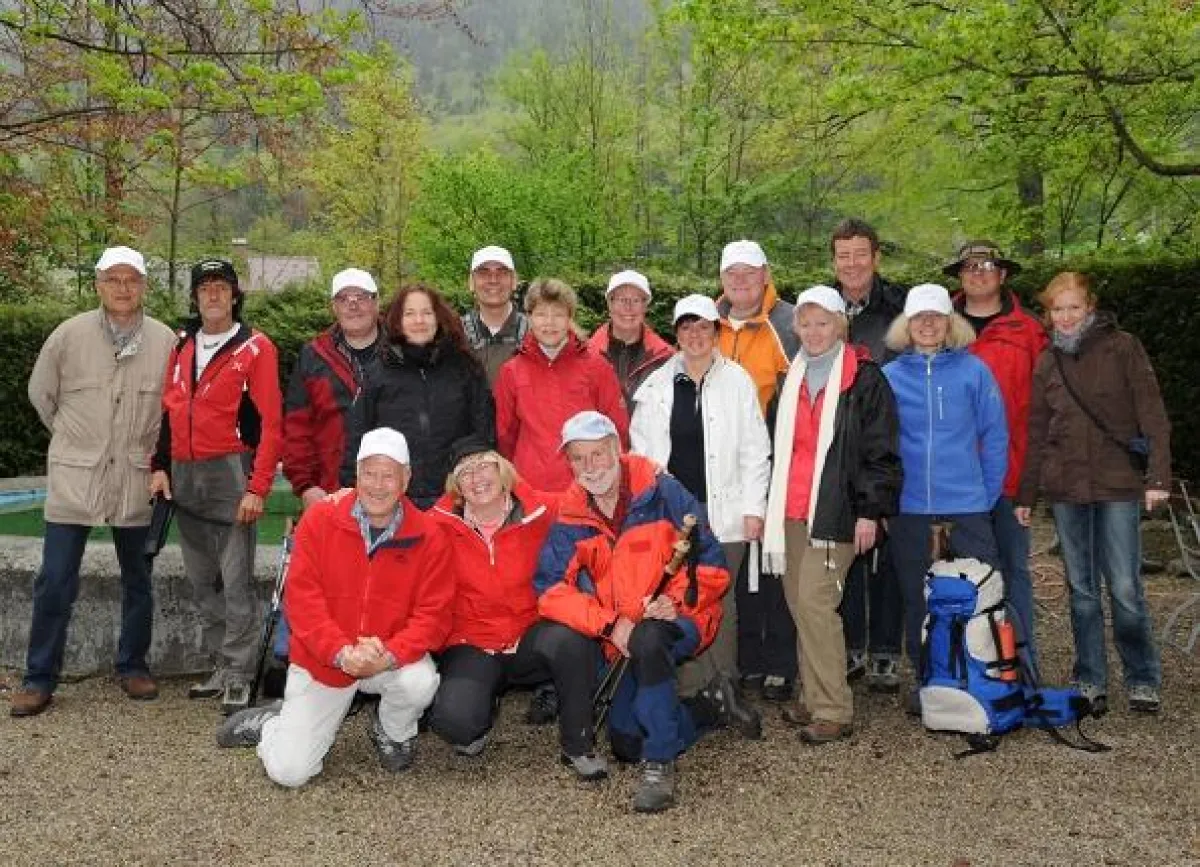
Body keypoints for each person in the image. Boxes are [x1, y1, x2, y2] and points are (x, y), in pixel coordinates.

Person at [216, 428, 452, 786]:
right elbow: (303, 603)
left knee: (420, 682)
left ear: (406, 479)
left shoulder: (430, 536)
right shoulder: (319, 521)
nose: (377, 484)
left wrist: (387, 654)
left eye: (388, 475)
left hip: (387, 655)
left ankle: (394, 732)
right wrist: (341, 653)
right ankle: (273, 725)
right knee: (290, 773)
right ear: (355, 475)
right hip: (326, 658)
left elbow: (433, 617)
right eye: (369, 473)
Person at [535, 411, 732, 813]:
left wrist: (673, 602)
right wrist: (610, 624)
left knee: (650, 636)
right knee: (626, 742)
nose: (590, 467)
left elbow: (712, 564)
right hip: (622, 634)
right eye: (578, 458)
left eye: (598, 454)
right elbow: (550, 589)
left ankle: (660, 766)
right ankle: (710, 706)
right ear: (569, 463)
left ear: (617, 450)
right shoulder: (572, 514)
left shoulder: (663, 491)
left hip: (683, 617)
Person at [10, 247, 176, 718]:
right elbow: (41, 394)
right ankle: (38, 677)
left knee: (138, 579)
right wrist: (74, 437)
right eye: (113, 279)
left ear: (144, 286)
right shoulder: (68, 335)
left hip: (136, 478)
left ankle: (133, 665)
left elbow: (174, 408)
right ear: (98, 285)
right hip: (75, 480)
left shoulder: (165, 341)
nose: (123, 288)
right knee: (54, 580)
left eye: (132, 280)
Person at [1016, 272, 1171, 715]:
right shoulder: (1047, 361)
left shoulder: (1123, 347)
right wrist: (1026, 496)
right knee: (1080, 589)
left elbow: (1153, 415)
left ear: (1090, 307)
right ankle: (1090, 678)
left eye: (1074, 307)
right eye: (1057, 309)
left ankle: (1142, 676)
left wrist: (1158, 478)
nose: (1065, 317)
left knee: (1124, 587)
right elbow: (1037, 431)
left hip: (1117, 484)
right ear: (1048, 314)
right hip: (1066, 487)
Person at [761, 286, 902, 743]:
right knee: (800, 605)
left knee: (818, 604)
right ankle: (814, 695)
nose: (814, 331)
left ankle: (834, 708)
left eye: (824, 322)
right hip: (790, 510)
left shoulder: (864, 380)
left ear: (841, 325)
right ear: (795, 326)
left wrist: (870, 512)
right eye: (806, 323)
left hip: (837, 512)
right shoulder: (789, 379)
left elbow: (880, 452)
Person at [630, 293, 767, 737]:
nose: (695, 335)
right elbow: (643, 459)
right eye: (687, 327)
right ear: (677, 333)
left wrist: (753, 509)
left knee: (720, 602)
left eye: (703, 327)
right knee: (679, 601)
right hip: (673, 519)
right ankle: (691, 691)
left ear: (716, 331)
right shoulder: (654, 387)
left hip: (724, 513)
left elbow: (754, 451)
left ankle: (724, 685)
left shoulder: (738, 382)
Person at [150, 259, 283, 714]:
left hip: (231, 471)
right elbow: (170, 410)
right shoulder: (182, 344)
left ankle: (242, 673)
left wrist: (258, 485)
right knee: (202, 579)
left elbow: (271, 424)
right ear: (195, 296)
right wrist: (159, 464)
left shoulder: (256, 347)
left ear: (234, 295)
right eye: (205, 287)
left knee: (236, 579)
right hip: (186, 473)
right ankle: (221, 665)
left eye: (221, 287)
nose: (212, 295)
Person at [882, 284, 1008, 714]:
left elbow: (994, 436)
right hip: (911, 508)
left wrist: (984, 494)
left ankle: (979, 677)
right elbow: (879, 444)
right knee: (918, 598)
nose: (929, 324)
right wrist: (886, 500)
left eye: (936, 317)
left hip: (968, 504)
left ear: (950, 323)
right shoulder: (891, 376)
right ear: (907, 325)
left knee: (980, 592)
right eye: (920, 318)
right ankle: (929, 682)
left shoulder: (975, 372)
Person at [426, 440, 589, 761]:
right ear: (456, 486)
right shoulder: (436, 524)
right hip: (472, 642)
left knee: (570, 641)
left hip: (529, 636)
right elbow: (389, 517)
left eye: (485, 466)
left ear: (502, 470)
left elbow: (596, 497)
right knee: (457, 725)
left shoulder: (541, 510)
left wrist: (642, 474)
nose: (477, 478)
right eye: (466, 473)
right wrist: (342, 500)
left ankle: (578, 744)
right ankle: (483, 702)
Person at [943, 241, 1047, 672]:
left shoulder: (1030, 332)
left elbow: (1043, 409)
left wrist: (1034, 479)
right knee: (966, 573)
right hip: (955, 476)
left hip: (1009, 472)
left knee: (1014, 572)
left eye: (987, 265)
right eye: (970, 266)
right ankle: (974, 664)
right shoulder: (938, 325)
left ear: (1003, 274)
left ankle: (1023, 664)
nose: (979, 272)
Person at [714, 239, 798, 702]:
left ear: (766, 274)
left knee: (775, 563)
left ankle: (781, 662)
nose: (741, 281)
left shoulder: (787, 323)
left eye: (749, 272)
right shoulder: (708, 323)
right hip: (724, 468)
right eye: (732, 274)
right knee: (737, 565)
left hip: (777, 460)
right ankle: (748, 659)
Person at [829, 218, 908, 691]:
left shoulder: (898, 309)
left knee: (888, 555)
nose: (852, 263)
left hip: (886, 444)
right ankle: (852, 644)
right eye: (843, 255)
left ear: (875, 257)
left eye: (861, 254)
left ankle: (884, 650)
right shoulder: (822, 306)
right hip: (840, 449)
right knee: (846, 553)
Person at [341, 283, 495, 510]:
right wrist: (350, 484)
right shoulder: (378, 370)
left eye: (426, 313)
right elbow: (359, 434)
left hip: (454, 496)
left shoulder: (465, 367)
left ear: (438, 317)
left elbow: (484, 431)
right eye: (410, 314)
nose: (419, 320)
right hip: (395, 499)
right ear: (398, 320)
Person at [494, 278, 629, 492]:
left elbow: (617, 428)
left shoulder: (596, 366)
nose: (550, 323)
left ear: (569, 318)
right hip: (531, 489)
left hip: (587, 487)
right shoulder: (512, 371)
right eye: (541, 314)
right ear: (529, 317)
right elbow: (504, 436)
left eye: (558, 314)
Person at [283, 268, 385, 511]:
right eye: (343, 298)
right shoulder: (313, 356)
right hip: (330, 491)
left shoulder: (400, 353)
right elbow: (296, 426)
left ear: (376, 303)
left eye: (361, 297)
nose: (353, 305)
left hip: (391, 489)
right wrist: (305, 485)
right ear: (333, 306)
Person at [590, 269, 673, 407]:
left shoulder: (665, 359)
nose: (628, 307)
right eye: (622, 299)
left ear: (645, 306)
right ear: (609, 304)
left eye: (636, 300)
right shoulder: (586, 355)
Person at [460, 246, 528, 385]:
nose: (493, 280)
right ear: (471, 282)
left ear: (514, 281)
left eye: (502, 272)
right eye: (483, 273)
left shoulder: (535, 333)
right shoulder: (455, 335)